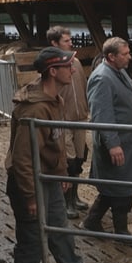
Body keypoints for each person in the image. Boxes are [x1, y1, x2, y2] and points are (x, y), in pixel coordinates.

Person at [5, 47, 100, 263]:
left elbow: (54, 143)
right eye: (68, 66)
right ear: (53, 71)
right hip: (30, 182)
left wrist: (61, 172)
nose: (73, 70)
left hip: (47, 178)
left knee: (60, 233)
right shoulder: (33, 110)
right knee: (32, 240)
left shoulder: (54, 99)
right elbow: (23, 158)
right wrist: (31, 196)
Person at [82, 37, 132, 239]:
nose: (130, 57)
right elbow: (102, 114)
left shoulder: (118, 72)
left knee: (114, 187)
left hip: (129, 143)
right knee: (121, 190)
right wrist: (113, 144)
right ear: (111, 56)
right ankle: (122, 232)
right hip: (119, 144)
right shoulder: (102, 78)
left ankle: (91, 222)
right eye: (125, 54)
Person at [48, 25, 90, 219]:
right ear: (54, 43)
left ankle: (75, 197)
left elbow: (83, 88)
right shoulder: (52, 67)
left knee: (80, 159)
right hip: (63, 120)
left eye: (70, 39)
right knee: (68, 162)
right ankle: (66, 202)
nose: (71, 43)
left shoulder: (77, 63)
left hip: (80, 118)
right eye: (66, 40)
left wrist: (85, 111)